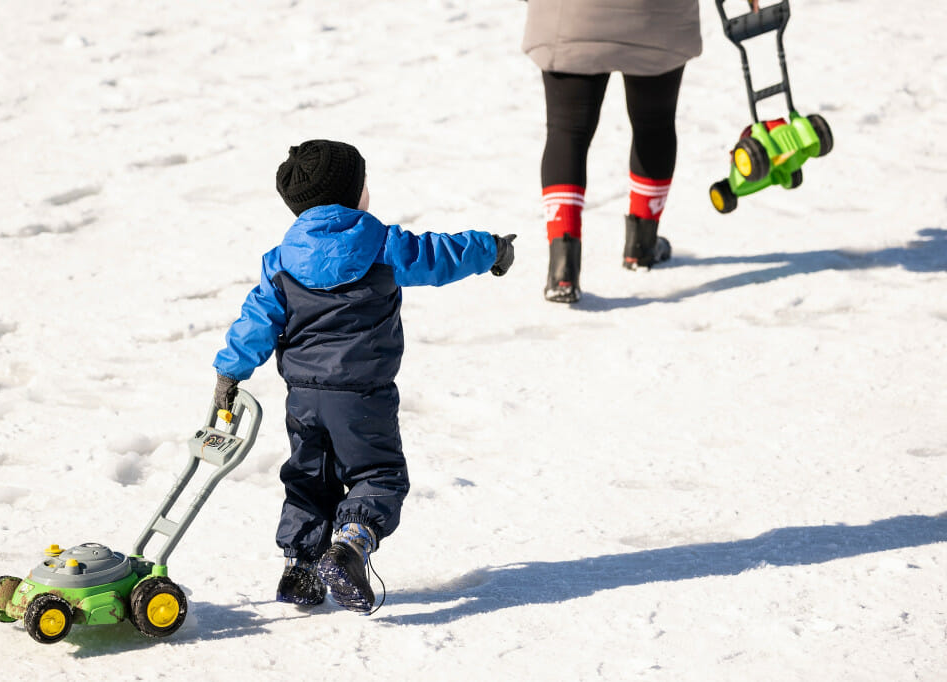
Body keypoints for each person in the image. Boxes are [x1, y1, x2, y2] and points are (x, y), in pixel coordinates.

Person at [211, 139, 516, 613]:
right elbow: (440, 255)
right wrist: (491, 249)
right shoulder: (381, 244)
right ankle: (351, 544)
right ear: (351, 194)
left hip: (303, 399)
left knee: (310, 480)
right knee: (379, 474)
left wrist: (229, 373)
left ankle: (300, 570)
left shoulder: (281, 261)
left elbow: (255, 321)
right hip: (363, 396)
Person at [521, 0, 703, 302]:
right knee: (654, 124)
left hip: (571, 15)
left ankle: (563, 268)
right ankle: (642, 246)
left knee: (567, 131)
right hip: (657, 17)